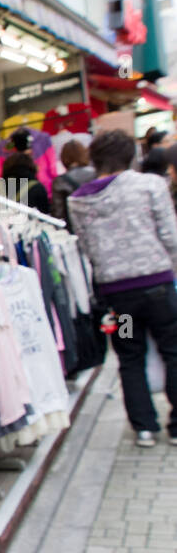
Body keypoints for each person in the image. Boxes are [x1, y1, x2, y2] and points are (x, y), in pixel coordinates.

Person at [68, 129, 177, 447]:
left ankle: (144, 428)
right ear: (131, 156)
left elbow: (87, 248)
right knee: (173, 352)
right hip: (157, 284)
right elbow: (170, 236)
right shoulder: (151, 185)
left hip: (118, 295)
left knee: (130, 357)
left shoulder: (80, 200)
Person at [51, 139, 95, 227]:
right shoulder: (97, 174)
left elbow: (59, 214)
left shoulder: (60, 181)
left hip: (75, 229)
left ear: (63, 158)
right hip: (97, 226)